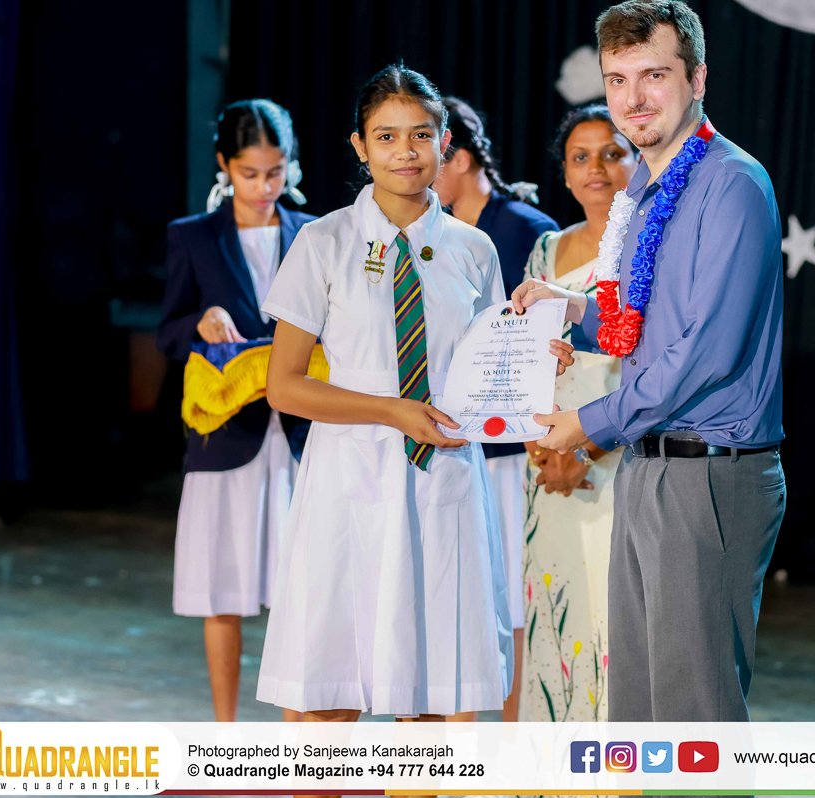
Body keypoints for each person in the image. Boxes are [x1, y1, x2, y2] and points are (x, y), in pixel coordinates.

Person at [253, 65, 575, 748]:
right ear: (359, 146)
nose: (406, 151)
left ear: (445, 140)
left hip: (444, 484)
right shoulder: (323, 243)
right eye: (387, 136)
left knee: (428, 702)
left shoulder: (475, 249)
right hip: (348, 483)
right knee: (329, 703)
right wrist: (391, 409)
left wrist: (534, 364)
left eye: (421, 135)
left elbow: (488, 373)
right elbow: (285, 386)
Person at [511, 0, 786, 733]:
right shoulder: (645, 188)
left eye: (654, 75)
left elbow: (706, 350)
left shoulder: (731, 183)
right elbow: (639, 319)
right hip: (647, 466)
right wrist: (569, 307)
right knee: (639, 717)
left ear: (697, 78)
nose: (633, 97)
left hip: (710, 474)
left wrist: (587, 423)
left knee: (693, 722)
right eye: (618, 79)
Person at [157, 99, 313, 722]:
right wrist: (200, 320)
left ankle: (298, 737)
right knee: (222, 591)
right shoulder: (193, 236)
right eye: (250, 173)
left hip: (303, 434)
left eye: (275, 172)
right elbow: (167, 331)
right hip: (226, 436)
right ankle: (226, 734)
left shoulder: (315, 234)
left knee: (301, 592)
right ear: (225, 164)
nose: (264, 186)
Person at [432, 95, 558, 721]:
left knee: (513, 601)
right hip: (456, 440)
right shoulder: (433, 235)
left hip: (516, 448)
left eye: (430, 151)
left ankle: (510, 744)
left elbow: (550, 334)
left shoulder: (526, 228)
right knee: (463, 597)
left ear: (458, 156)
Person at [518, 104, 636, 723]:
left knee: (613, 616)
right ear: (564, 173)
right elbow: (523, 355)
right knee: (554, 609)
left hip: (620, 457)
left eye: (613, 153)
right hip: (547, 464)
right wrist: (544, 451)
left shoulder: (651, 248)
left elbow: (655, 368)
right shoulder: (547, 248)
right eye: (581, 157)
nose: (597, 168)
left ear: (637, 161)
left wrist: (586, 449)